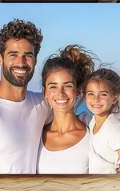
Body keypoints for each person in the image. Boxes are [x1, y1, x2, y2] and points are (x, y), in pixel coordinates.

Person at [0, 19, 120, 174]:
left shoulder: (41, 104)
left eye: (28, 55)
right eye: (13, 54)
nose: (21, 62)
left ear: (35, 59)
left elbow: (108, 131)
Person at [37, 45, 94, 174]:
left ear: (78, 91)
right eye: (53, 86)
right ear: (45, 91)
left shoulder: (92, 135)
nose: (60, 94)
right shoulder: (36, 136)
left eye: (67, 86)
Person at [84, 68, 120, 175]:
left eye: (103, 94)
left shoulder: (115, 128)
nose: (96, 99)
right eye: (91, 94)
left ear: (114, 98)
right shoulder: (92, 121)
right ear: (85, 97)